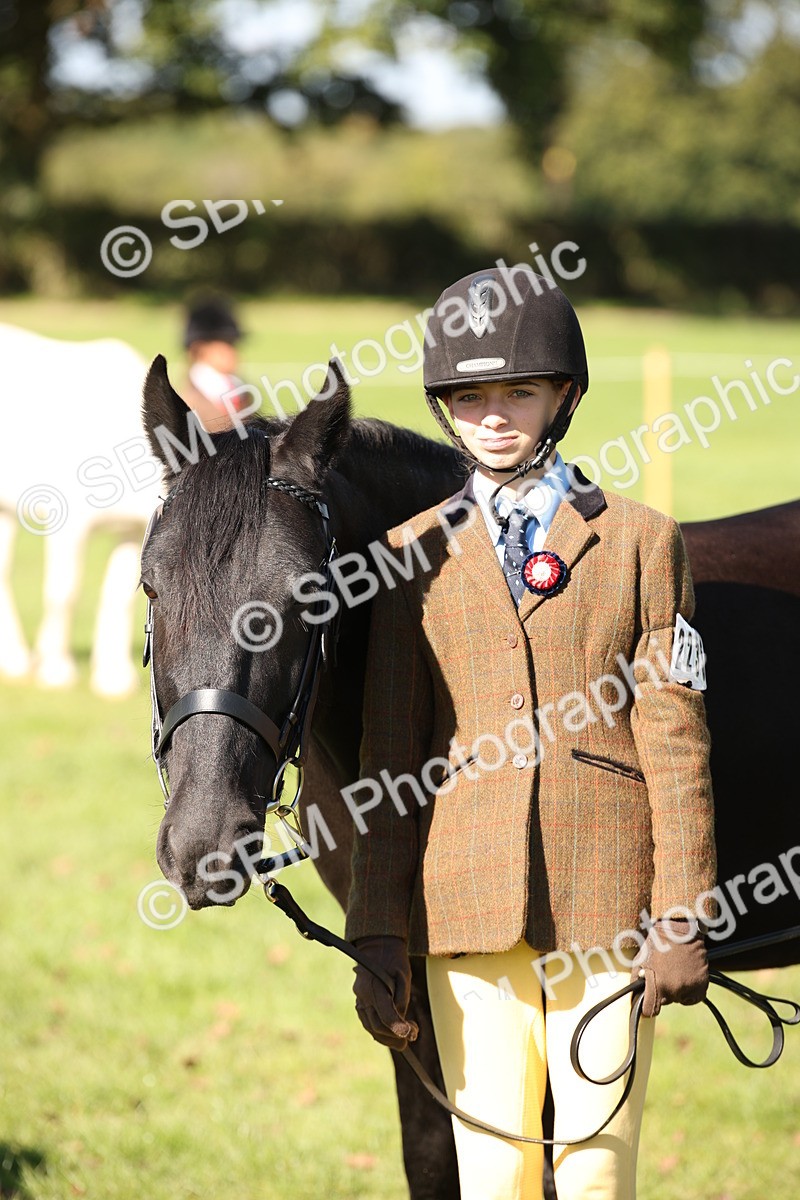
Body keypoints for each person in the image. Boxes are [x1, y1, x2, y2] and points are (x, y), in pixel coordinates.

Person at [345, 267, 716, 1200]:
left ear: (565, 397)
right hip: (463, 903)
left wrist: (683, 908)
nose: (494, 415)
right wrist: (379, 932)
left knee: (595, 1166)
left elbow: (676, 740)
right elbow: (388, 760)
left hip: (608, 901)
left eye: (518, 391)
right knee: (493, 1166)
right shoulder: (406, 555)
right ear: (443, 407)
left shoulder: (641, 541)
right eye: (470, 396)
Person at [180, 296, 249, 431]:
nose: (232, 352)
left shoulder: (242, 391)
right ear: (199, 349)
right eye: (225, 344)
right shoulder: (188, 401)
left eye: (233, 344)